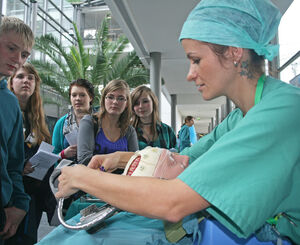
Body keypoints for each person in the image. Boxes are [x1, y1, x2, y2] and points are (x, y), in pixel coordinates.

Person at [40, 0, 300, 244]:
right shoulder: (239, 117)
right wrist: (120, 158)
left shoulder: (281, 111)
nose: (190, 74)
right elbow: (182, 160)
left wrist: (83, 177)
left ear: (234, 52)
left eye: (196, 60)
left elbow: (173, 202)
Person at [7, 63, 56, 245]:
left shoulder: (36, 118)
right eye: (20, 76)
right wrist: (20, 166)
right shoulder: (6, 112)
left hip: (32, 196)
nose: (26, 81)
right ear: (11, 83)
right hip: (10, 195)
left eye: (31, 78)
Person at [0, 17, 33, 244]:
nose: (18, 60)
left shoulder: (10, 103)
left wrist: (20, 204)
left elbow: (13, 163)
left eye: (24, 55)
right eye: (11, 48)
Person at [77, 79, 138, 166]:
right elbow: (84, 160)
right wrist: (119, 160)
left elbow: (135, 163)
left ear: (127, 103)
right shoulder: (89, 122)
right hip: (93, 178)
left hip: (121, 179)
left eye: (121, 98)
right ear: (104, 99)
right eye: (110, 97)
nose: (115, 102)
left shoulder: (129, 131)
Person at [52, 79, 95, 163]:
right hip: (68, 172)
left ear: (90, 97)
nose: (77, 99)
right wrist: (64, 154)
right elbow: (53, 155)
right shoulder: (61, 123)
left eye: (82, 95)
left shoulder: (100, 121)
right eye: (74, 95)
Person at [131, 85, 176, 150]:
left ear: (153, 102)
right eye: (136, 103)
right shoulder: (128, 131)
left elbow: (176, 155)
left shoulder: (167, 130)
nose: (141, 106)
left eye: (145, 101)